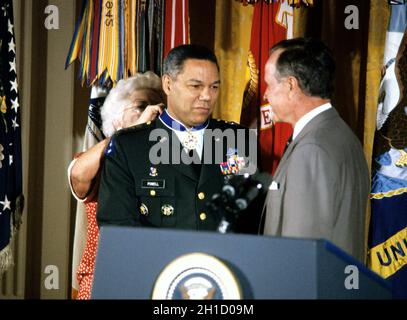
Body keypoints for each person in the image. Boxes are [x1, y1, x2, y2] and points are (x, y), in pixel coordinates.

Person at [96, 44, 256, 231]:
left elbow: (252, 222)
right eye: (196, 86)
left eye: (214, 87)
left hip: (223, 260)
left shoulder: (239, 140)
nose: (206, 96)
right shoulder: (129, 146)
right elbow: (117, 229)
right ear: (168, 84)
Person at [262, 38, 369, 261]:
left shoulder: (312, 150)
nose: (265, 95)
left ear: (291, 86)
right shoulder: (340, 134)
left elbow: (301, 255)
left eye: (270, 85)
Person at [68, 71, 165, 299]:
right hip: (103, 278)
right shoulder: (101, 159)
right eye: (141, 106)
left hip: (151, 280)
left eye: (159, 106)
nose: (153, 112)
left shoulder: (169, 162)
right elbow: (78, 175)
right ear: (116, 118)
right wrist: (130, 135)